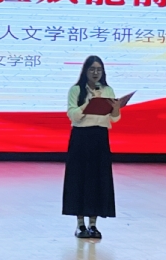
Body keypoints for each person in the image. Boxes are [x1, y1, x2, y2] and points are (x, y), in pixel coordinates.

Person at [62, 55, 122, 239]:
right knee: (79, 179)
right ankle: (80, 225)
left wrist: (116, 108)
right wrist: (90, 103)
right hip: (81, 138)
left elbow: (114, 118)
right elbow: (72, 115)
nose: (96, 73)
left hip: (100, 137)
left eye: (99, 69)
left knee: (97, 180)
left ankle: (93, 225)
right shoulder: (76, 90)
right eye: (92, 69)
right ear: (85, 71)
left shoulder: (107, 90)